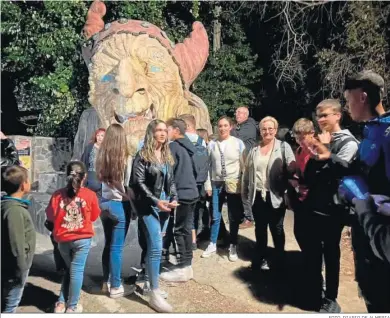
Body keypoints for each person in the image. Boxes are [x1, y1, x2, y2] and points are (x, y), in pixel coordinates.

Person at [306, 70, 390, 313]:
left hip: (381, 240)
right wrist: (329, 156)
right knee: (369, 294)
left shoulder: (386, 132)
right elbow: (359, 172)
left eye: (348, 99)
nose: (346, 106)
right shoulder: (370, 130)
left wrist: (364, 201)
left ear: (362, 97)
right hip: (364, 233)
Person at [302, 99, 359, 313]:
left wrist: (324, 149)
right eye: (318, 115)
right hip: (314, 206)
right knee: (313, 252)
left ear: (338, 116)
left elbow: (336, 174)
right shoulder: (320, 139)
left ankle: (331, 299)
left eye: (325, 115)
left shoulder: (349, 143)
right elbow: (309, 175)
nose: (321, 119)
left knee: (331, 254)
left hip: (333, 209)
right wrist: (318, 150)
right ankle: (315, 291)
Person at [131, 119, 178, 313]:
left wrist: (174, 197)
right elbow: (137, 182)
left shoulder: (166, 154)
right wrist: (155, 201)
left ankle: (151, 285)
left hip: (165, 207)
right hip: (149, 207)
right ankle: (155, 293)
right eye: (158, 130)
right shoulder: (143, 155)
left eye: (164, 130)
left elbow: (171, 181)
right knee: (157, 247)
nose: (162, 133)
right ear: (151, 133)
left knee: (154, 248)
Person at [45, 161, 100, 313]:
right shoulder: (90, 195)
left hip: (63, 240)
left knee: (70, 269)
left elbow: (50, 216)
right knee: (76, 271)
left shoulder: (57, 195)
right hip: (82, 239)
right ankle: (72, 306)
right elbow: (94, 216)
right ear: (85, 177)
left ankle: (61, 303)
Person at [242, 116, 295, 271]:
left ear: (275, 130)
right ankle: (261, 257)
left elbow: (292, 169)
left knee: (277, 229)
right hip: (258, 195)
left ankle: (279, 259)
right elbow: (247, 173)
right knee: (260, 228)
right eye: (264, 129)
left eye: (270, 128)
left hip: (276, 195)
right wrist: (245, 194)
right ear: (260, 131)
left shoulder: (284, 147)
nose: (267, 131)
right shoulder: (254, 150)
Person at [95, 123, 134, 298]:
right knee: (117, 248)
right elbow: (121, 182)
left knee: (109, 245)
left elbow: (104, 180)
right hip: (118, 205)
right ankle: (116, 286)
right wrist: (126, 195)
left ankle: (106, 281)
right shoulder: (124, 157)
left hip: (104, 204)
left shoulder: (101, 155)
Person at [160, 118, 198, 282]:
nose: (165, 133)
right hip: (192, 192)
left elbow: (168, 173)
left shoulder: (173, 147)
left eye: (167, 129)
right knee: (186, 229)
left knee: (179, 230)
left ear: (175, 130)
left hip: (181, 193)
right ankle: (187, 266)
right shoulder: (190, 147)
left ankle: (182, 269)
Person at [202, 116, 246, 262]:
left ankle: (233, 245)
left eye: (225, 125)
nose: (222, 128)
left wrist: (243, 184)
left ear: (230, 127)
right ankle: (213, 243)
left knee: (233, 216)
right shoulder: (212, 144)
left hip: (233, 183)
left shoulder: (238, 143)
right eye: (220, 126)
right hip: (216, 182)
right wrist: (207, 184)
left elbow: (244, 166)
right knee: (215, 214)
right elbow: (208, 166)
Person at [1, 165, 35, 313]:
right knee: (10, 305)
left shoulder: (8, 205)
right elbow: (16, 244)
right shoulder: (14, 211)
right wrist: (21, 269)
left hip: (8, 266)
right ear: (23, 185)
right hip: (14, 269)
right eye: (28, 179)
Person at [178, 114, 210, 247]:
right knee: (197, 211)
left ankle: (188, 242)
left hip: (185, 183)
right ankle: (195, 239)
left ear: (187, 126)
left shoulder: (180, 140)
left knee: (185, 214)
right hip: (200, 182)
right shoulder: (202, 141)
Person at [288, 118, 316, 253]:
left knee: (312, 235)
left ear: (312, 133)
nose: (300, 141)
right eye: (297, 138)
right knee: (299, 232)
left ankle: (315, 262)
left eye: (303, 138)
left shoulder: (316, 151)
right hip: (300, 198)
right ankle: (308, 257)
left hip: (313, 200)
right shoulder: (299, 150)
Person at [231, 107, 257, 229]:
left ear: (246, 114)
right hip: (239, 163)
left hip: (247, 164)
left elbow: (236, 138)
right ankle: (242, 216)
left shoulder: (250, 126)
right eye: (236, 112)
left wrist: (230, 131)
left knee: (246, 192)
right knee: (239, 192)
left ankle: (249, 218)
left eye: (240, 113)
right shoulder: (238, 126)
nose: (237, 114)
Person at [81, 128, 105, 195]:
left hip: (102, 179)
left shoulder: (107, 149)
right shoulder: (89, 147)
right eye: (98, 135)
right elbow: (83, 162)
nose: (100, 138)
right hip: (90, 177)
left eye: (102, 136)